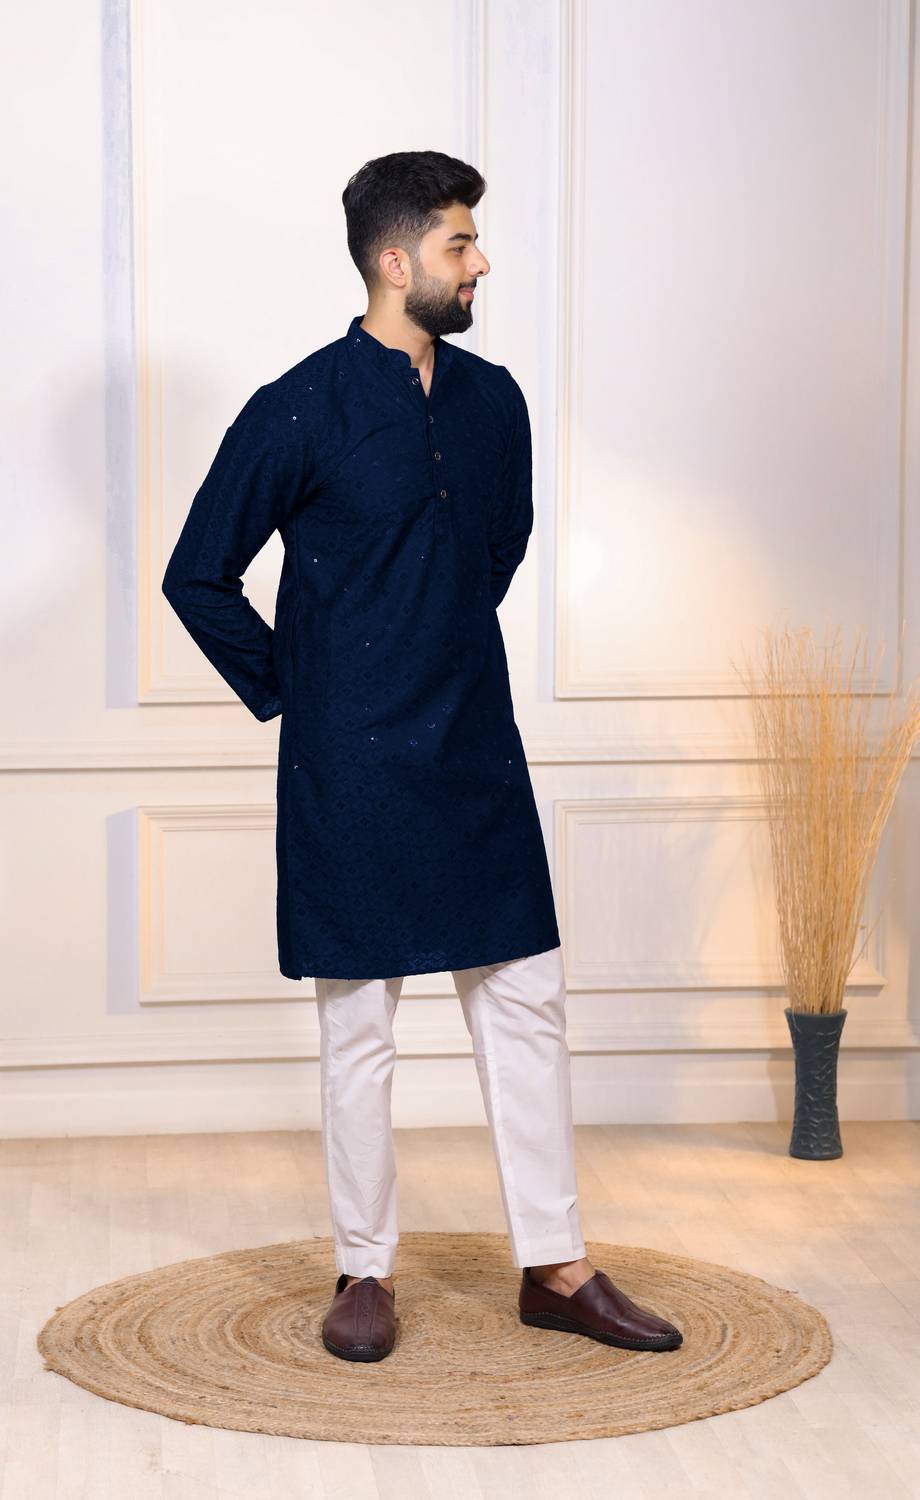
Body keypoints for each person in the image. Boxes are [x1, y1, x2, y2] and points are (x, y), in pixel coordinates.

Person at [162, 150, 682, 1362]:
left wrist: (428, 641)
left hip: (474, 746)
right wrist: (302, 690)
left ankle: (556, 1266)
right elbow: (198, 575)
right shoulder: (298, 405)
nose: (480, 261)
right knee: (360, 1030)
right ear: (397, 262)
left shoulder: (495, 402)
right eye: (460, 242)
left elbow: (499, 546)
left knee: (527, 1007)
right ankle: (364, 1270)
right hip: (347, 767)